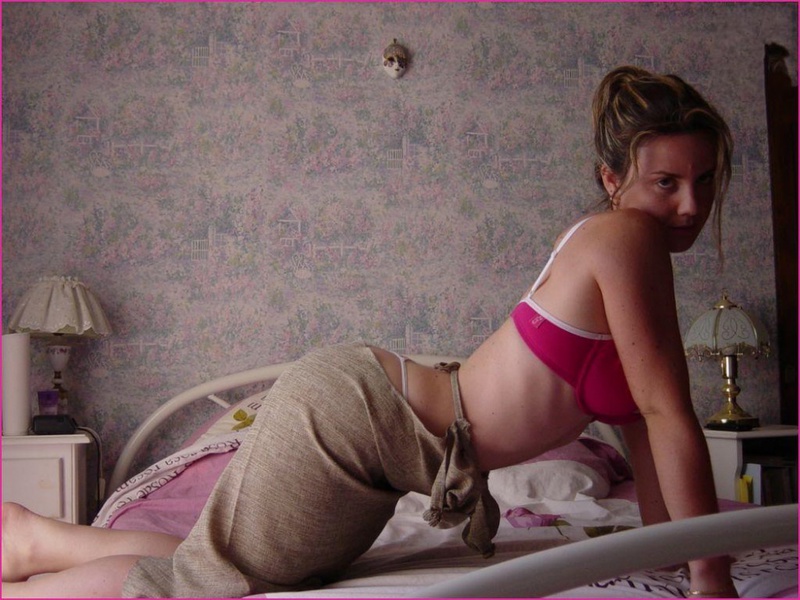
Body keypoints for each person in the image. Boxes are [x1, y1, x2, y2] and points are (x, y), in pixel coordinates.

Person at [2, 65, 738, 598]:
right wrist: (713, 580)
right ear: (612, 180)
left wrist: (681, 555)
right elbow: (669, 411)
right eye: (665, 182)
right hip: (359, 418)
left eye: (704, 180)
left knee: (248, 567)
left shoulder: (619, 253)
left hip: (388, 440)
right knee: (208, 582)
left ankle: (39, 541)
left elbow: (648, 429)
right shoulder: (625, 238)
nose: (689, 205)